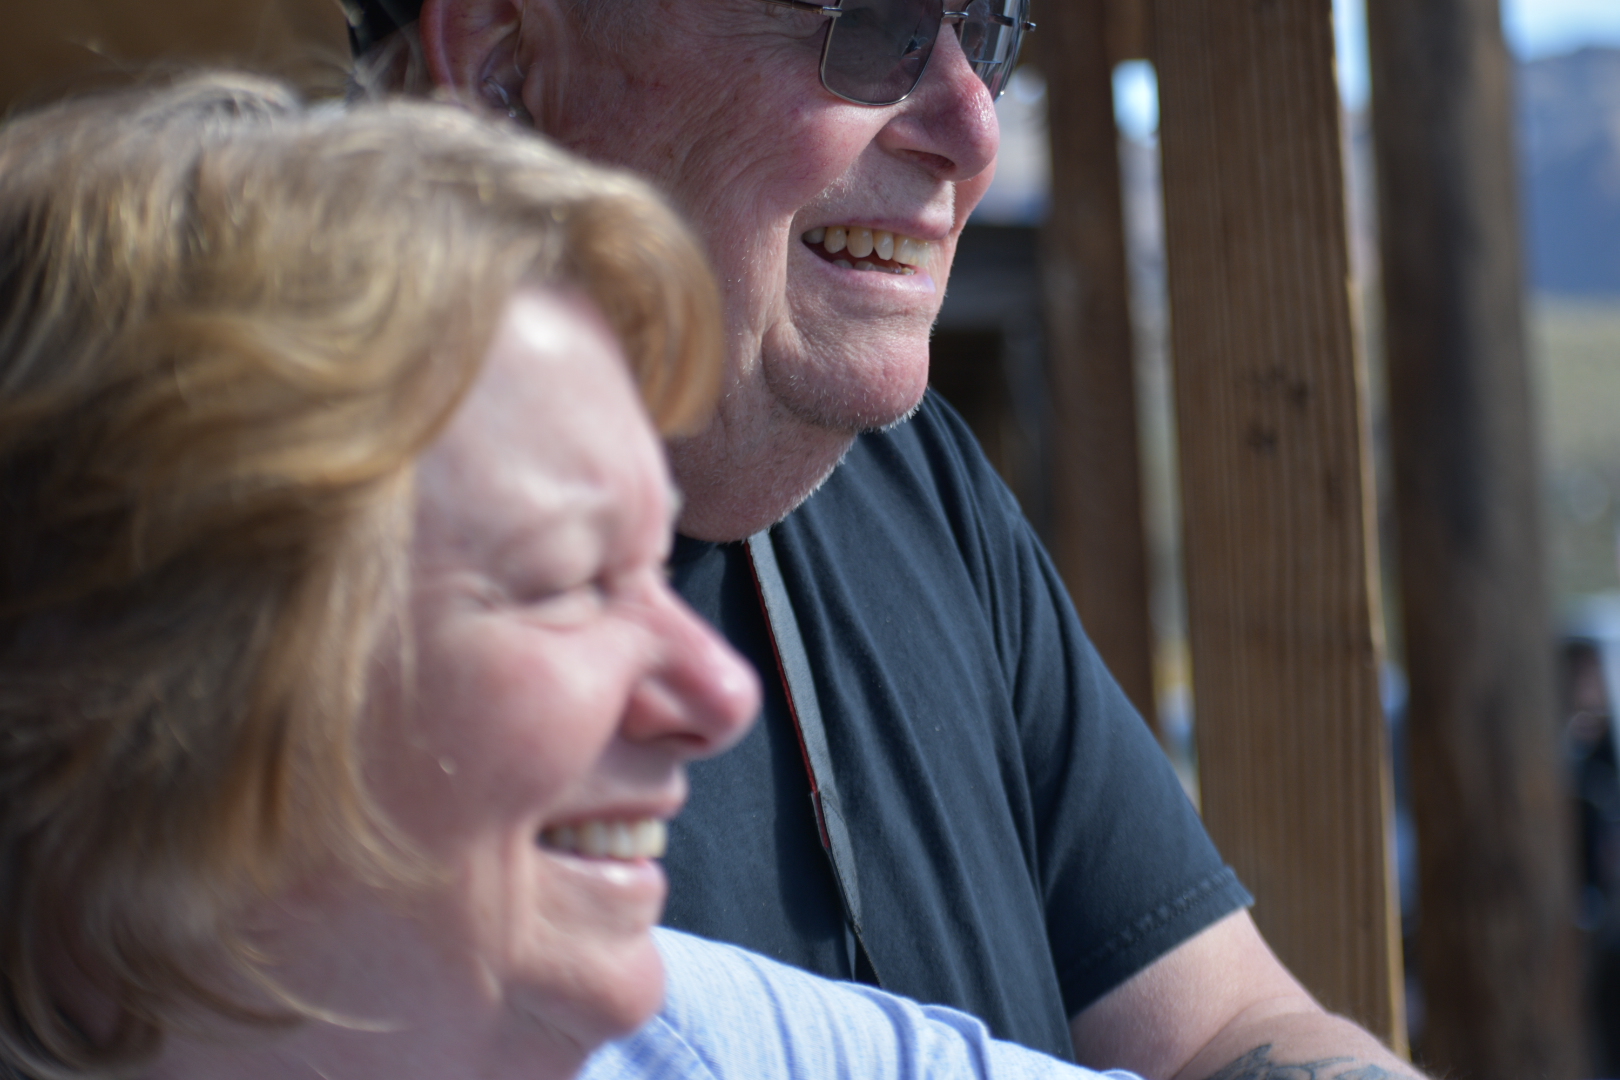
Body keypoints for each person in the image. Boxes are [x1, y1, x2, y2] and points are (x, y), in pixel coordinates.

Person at [0, 72, 1161, 1080]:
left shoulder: (668, 1035)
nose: (716, 695)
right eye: (563, 583)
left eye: (654, 566)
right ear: (139, 674)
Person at [343, 4, 1429, 1078]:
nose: (973, 125)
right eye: (871, 21)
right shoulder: (282, 595)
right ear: (502, 57)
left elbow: (1218, 1024)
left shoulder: (914, 479)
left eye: (993, 28)